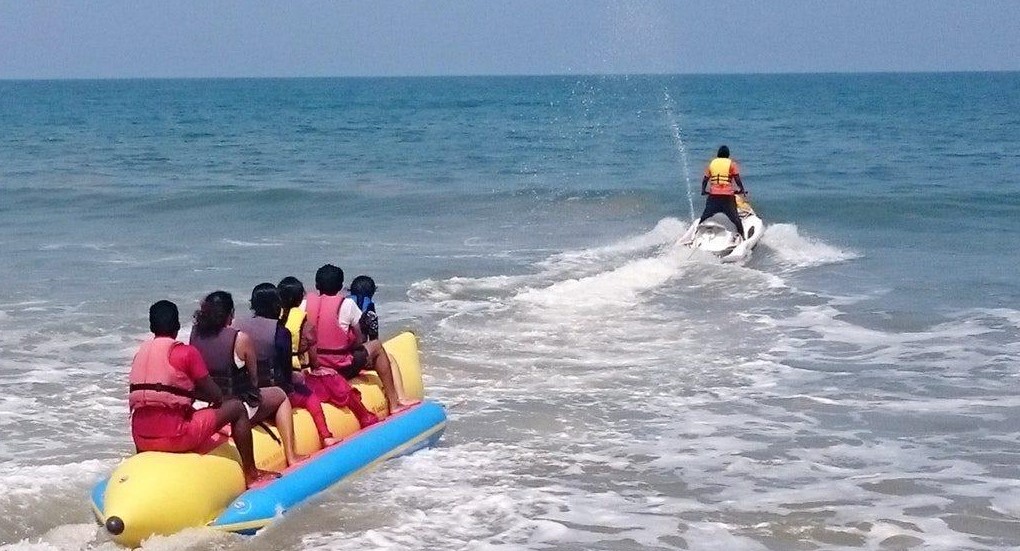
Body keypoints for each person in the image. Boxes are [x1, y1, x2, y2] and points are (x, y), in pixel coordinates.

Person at [128, 300, 278, 487]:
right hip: (176, 438)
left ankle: (140, 470)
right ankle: (251, 474)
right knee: (237, 408)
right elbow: (215, 395)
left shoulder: (140, 354)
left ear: (151, 326)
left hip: (140, 439)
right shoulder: (186, 353)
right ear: (177, 326)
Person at [189, 291, 304, 466]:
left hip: (202, 403)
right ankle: (291, 455)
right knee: (280, 395)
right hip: (235, 405)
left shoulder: (195, 335)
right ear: (230, 314)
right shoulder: (240, 338)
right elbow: (254, 380)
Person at [235, 283, 339, 448]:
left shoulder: (238, 326)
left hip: (244, 392)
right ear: (277, 305)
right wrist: (295, 382)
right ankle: (325, 436)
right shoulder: (280, 332)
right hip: (273, 391)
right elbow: (284, 370)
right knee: (310, 396)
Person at [306, 264, 416, 414]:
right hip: (340, 368)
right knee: (376, 346)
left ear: (317, 285)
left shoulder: (305, 305)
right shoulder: (347, 304)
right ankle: (394, 403)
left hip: (315, 366)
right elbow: (359, 339)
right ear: (340, 286)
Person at [279, 275, 379, 428]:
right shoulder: (303, 322)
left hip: (277, 379)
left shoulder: (276, 320)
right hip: (299, 377)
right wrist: (317, 366)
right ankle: (361, 417)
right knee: (337, 385)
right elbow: (313, 357)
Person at [699, 145, 748, 239]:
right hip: (727, 197)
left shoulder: (712, 164)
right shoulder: (731, 164)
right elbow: (737, 179)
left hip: (713, 197)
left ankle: (696, 233)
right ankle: (743, 238)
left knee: (705, 216)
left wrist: (703, 191)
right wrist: (741, 189)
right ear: (728, 155)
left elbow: (705, 179)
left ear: (718, 154)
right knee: (736, 219)